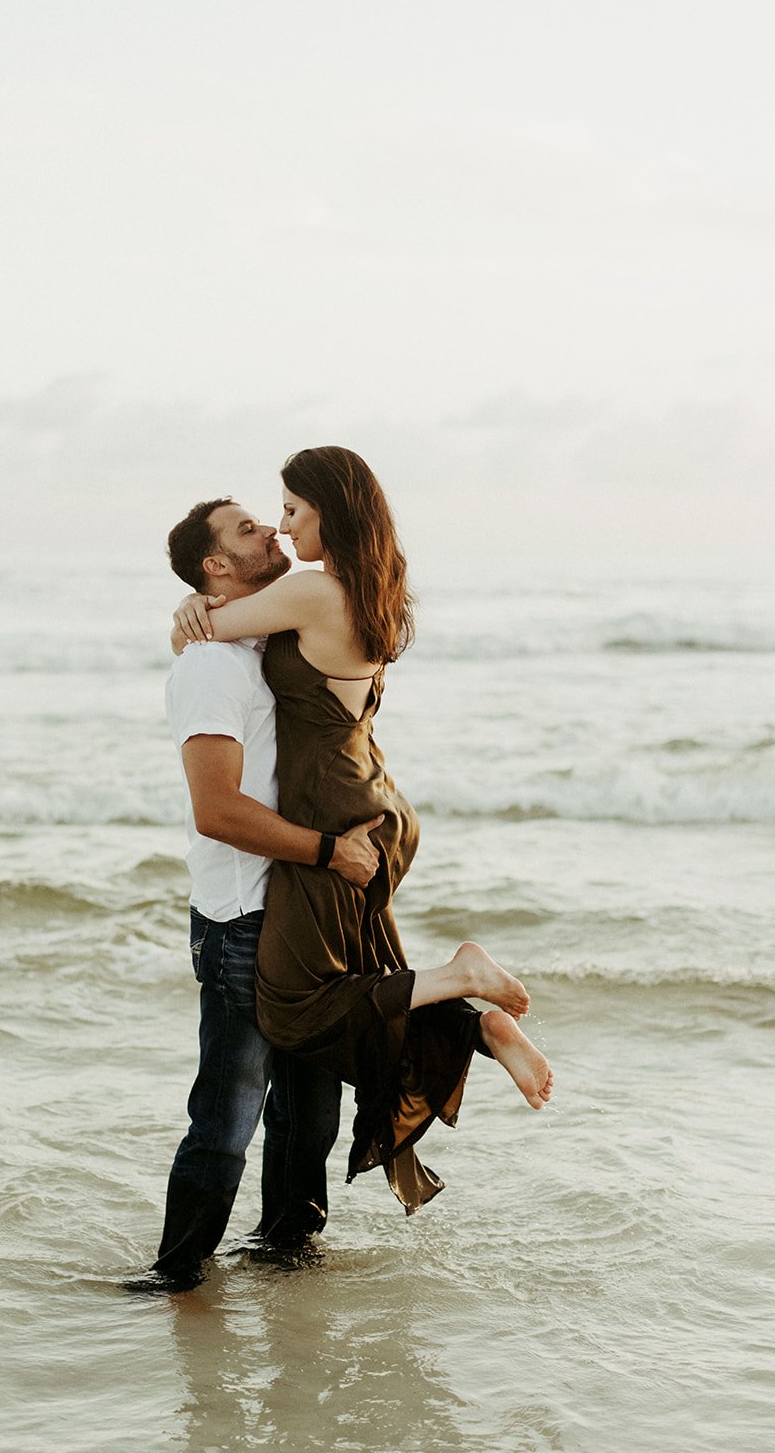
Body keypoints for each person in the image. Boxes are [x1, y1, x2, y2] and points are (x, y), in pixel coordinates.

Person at [171, 447, 553, 1214]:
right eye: (269, 518)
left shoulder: (314, 591)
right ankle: (471, 1030)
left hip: (339, 815)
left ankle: (464, 990)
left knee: (296, 1007)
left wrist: (186, 610)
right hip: (367, 801)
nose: (281, 529)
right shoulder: (376, 588)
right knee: (344, 990)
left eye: (289, 511)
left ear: (327, 511)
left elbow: (202, 628)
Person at [143, 495, 387, 1291]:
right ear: (216, 565)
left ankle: (286, 1257)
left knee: (310, 1108)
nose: (274, 530)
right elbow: (216, 811)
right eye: (249, 529)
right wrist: (328, 852)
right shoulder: (211, 666)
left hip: (299, 908)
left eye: (274, 516)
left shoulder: (265, 638)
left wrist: (198, 606)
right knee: (228, 1111)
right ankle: (177, 1275)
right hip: (244, 914)